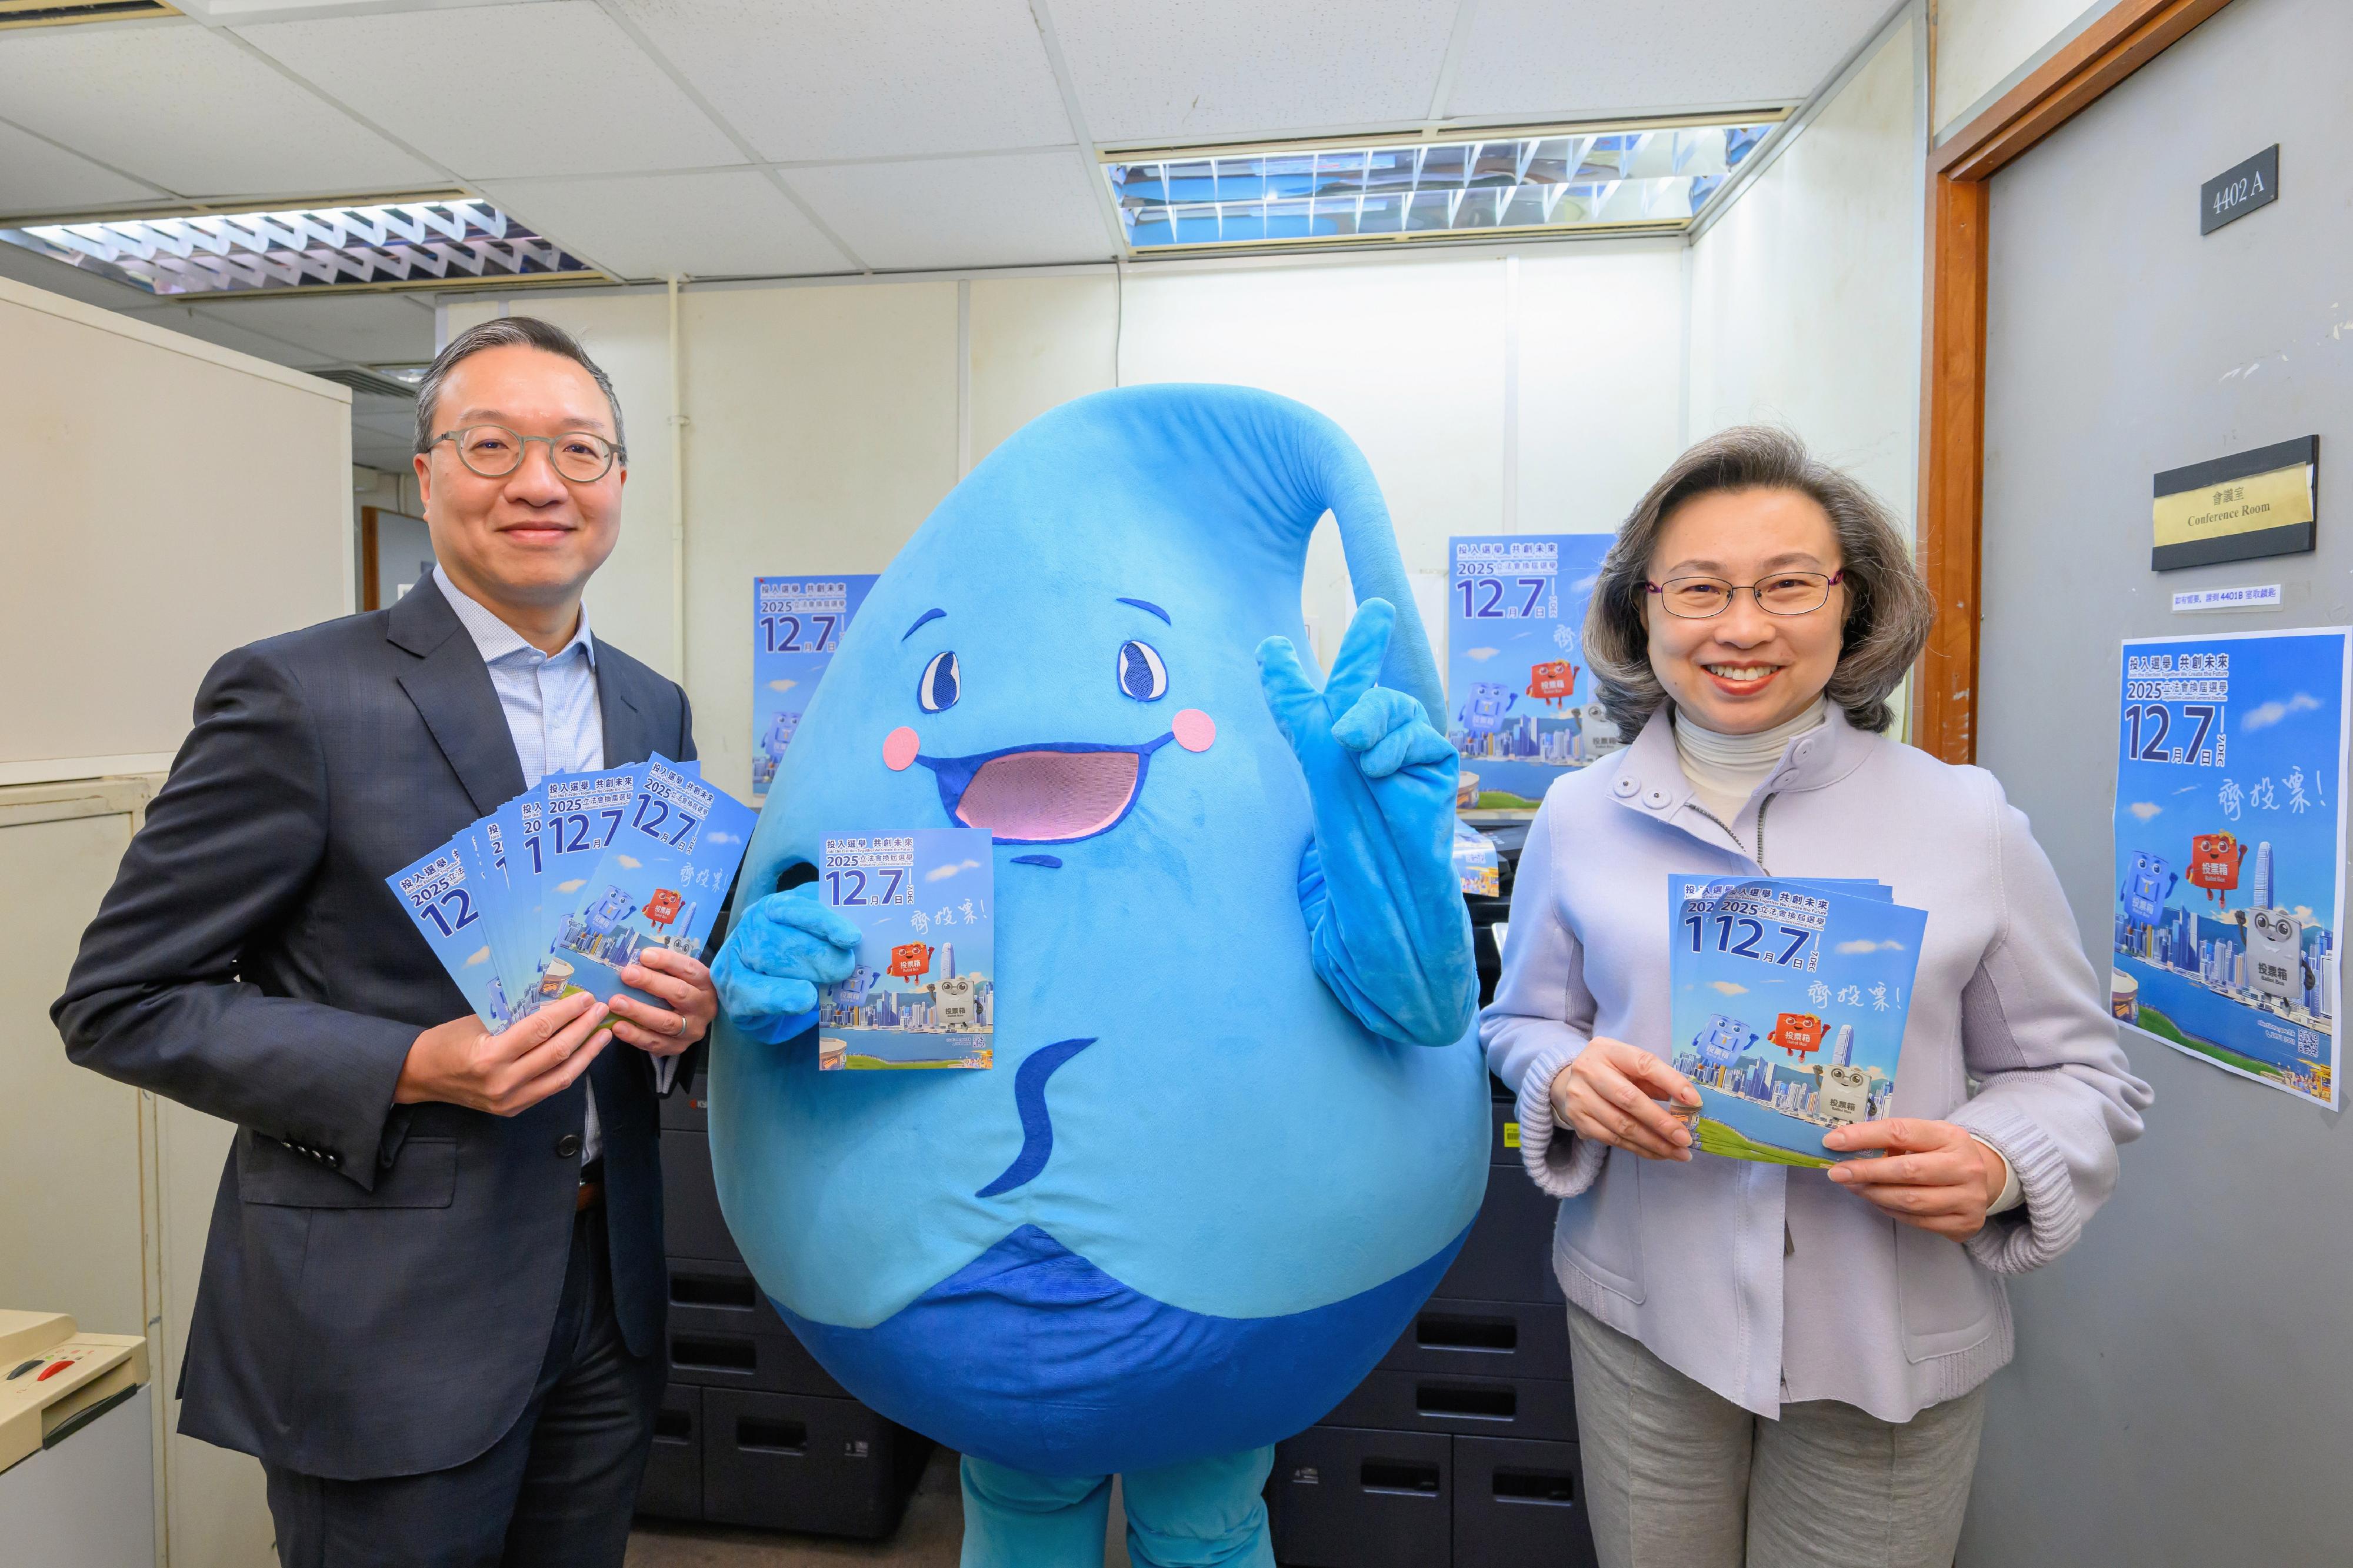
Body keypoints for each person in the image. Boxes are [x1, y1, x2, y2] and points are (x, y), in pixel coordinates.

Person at [54, 316, 718, 1567]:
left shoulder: (649, 704)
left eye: (578, 450)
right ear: (425, 472)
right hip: (386, 1315)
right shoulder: (300, 694)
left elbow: (657, 945)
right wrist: (412, 1062)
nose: (539, 482)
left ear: (620, 481)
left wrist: (688, 1016)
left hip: (602, 1285)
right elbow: (123, 998)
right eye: (493, 444)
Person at [1481, 426, 2151, 1567]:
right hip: (1645, 1323)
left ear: (1853, 605)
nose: (1740, 627)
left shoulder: (1963, 819)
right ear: (1641, 610)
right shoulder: (1578, 815)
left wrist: (1995, 1163)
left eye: (1787, 584)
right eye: (1696, 588)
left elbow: (2079, 1075)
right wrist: (1560, 1073)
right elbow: (1522, 1020)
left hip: (1885, 1340)